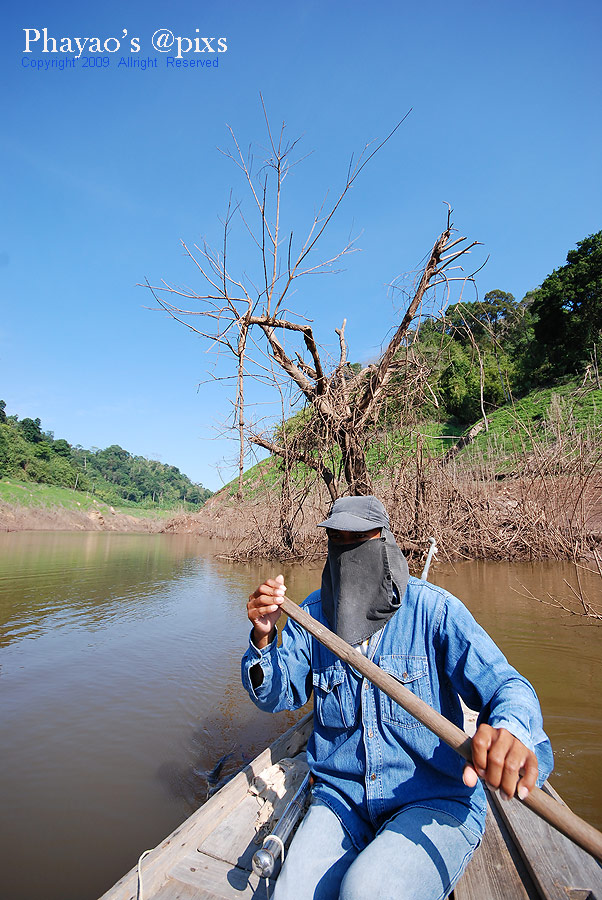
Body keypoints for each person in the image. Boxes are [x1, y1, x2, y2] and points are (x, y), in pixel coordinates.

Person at [241, 496, 553, 900]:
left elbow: (507, 686)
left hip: (429, 799)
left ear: (384, 543)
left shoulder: (434, 611)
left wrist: (510, 731)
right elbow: (276, 695)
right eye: (336, 539)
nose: (345, 550)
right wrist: (263, 637)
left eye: (357, 539)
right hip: (342, 799)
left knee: (367, 892)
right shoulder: (312, 617)